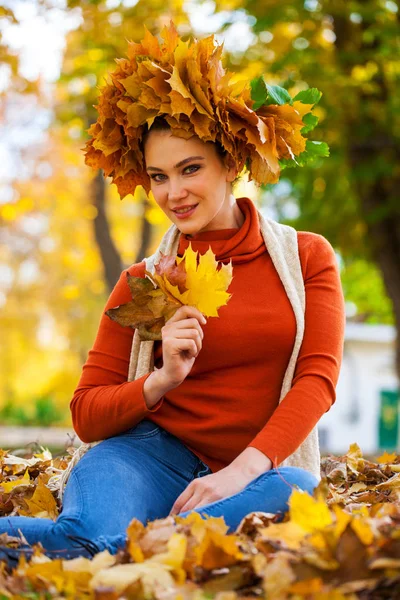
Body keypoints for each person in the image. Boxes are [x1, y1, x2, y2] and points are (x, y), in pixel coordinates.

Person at [0, 22, 345, 565]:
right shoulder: (143, 280)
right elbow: (86, 414)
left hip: (257, 474)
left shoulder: (306, 258)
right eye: (159, 176)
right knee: (93, 535)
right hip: (146, 458)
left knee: (294, 492)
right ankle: (131, 544)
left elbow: (318, 380)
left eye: (190, 169)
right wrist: (160, 381)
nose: (174, 193)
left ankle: (124, 548)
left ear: (230, 163)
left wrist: (240, 471)